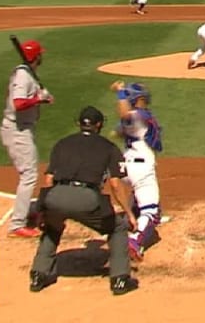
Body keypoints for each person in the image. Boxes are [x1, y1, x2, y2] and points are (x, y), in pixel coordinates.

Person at [28, 106, 139, 296]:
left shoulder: (62, 143)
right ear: (99, 125)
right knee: (118, 227)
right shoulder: (108, 147)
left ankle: (39, 275)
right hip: (86, 198)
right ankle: (120, 279)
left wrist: (43, 211)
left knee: (52, 226)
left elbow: (48, 180)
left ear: (79, 124)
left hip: (55, 196)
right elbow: (115, 184)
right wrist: (129, 214)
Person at [0, 39, 53, 238]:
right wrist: (39, 98)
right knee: (29, 175)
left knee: (29, 173)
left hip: (22, 128)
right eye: (40, 54)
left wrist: (42, 98)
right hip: (17, 130)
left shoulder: (26, 72)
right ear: (36, 56)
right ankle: (17, 224)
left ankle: (23, 214)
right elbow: (19, 103)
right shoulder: (23, 76)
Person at [110, 81, 163, 262]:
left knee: (138, 200)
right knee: (153, 212)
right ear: (137, 99)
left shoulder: (134, 119)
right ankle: (134, 241)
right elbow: (125, 115)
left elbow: (116, 132)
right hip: (141, 168)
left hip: (127, 167)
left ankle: (127, 224)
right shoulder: (138, 115)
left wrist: (127, 130)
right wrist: (120, 93)